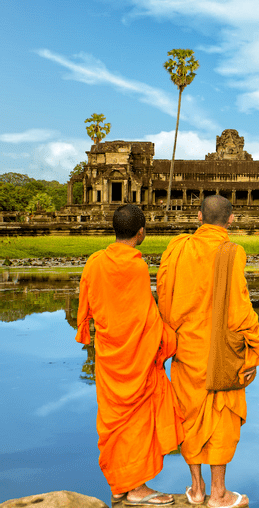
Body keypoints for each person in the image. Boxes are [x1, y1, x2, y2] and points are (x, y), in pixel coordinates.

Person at [157, 195, 259, 508]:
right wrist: (257, 348)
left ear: (198, 216)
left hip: (186, 347)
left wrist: (172, 335)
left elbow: (164, 296)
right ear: (230, 220)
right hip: (221, 352)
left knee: (189, 415)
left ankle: (196, 489)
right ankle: (218, 493)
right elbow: (239, 309)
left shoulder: (177, 248)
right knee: (221, 415)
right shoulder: (231, 252)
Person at [75, 204, 183, 506]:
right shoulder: (135, 266)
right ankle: (135, 488)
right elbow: (145, 317)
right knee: (136, 421)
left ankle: (120, 485)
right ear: (141, 232)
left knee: (115, 421)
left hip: (109, 355)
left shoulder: (95, 262)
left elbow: (89, 305)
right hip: (135, 358)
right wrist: (170, 338)